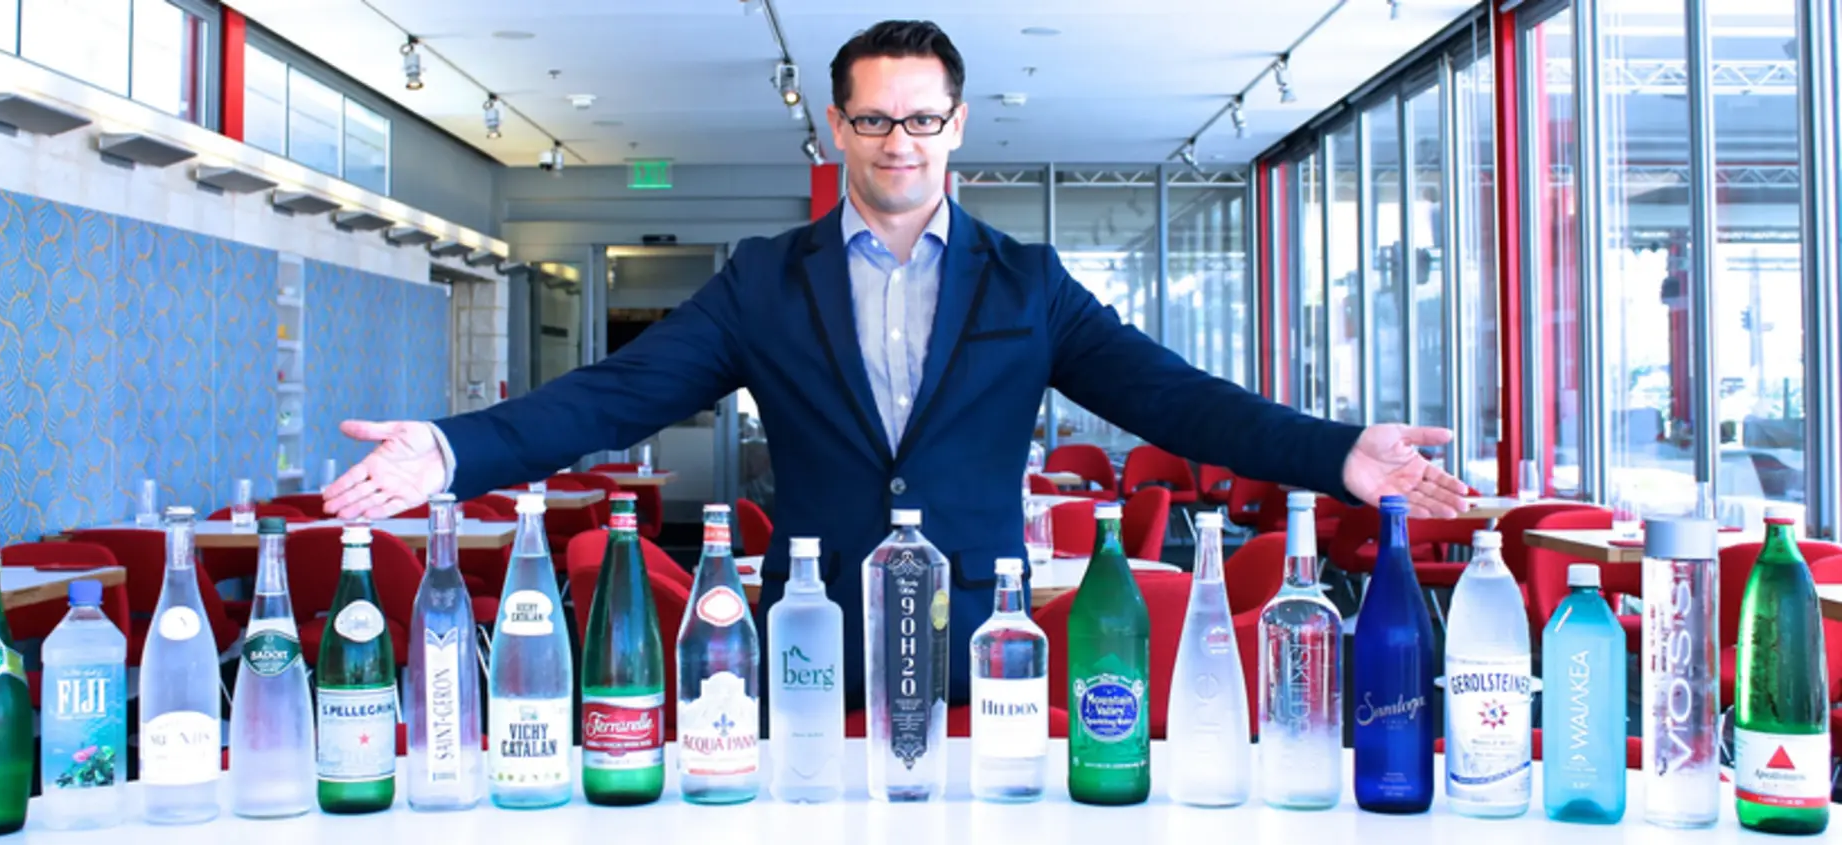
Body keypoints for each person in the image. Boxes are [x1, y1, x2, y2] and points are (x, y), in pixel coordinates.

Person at [322, 20, 1469, 709]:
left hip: (981, 632)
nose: (898, 142)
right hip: (809, 634)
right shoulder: (763, 279)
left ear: (956, 125)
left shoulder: (1027, 284)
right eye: (873, 120)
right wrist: (451, 449)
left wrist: (1337, 453)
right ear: (837, 128)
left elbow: (1172, 397)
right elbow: (617, 392)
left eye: (921, 119)